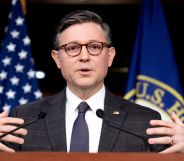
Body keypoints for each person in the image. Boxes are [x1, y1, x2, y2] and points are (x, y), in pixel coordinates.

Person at [0, 10, 183, 153]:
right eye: (72, 48)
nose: (84, 57)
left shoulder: (145, 121)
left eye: (94, 47)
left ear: (110, 56)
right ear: (57, 59)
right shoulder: (24, 118)